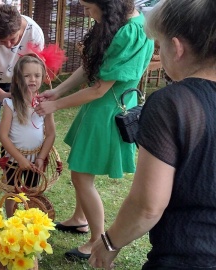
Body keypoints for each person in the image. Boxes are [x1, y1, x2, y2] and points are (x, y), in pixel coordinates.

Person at [89, 0, 216, 269]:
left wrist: (109, 243)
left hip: (188, 256)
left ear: (177, 47)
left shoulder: (173, 103)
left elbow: (147, 205)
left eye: (160, 45)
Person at [34, 0, 154, 260]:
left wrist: (55, 105)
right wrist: (59, 90)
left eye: (88, 7)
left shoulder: (129, 32)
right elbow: (92, 71)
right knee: (83, 169)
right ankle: (80, 218)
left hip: (107, 111)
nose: (87, 13)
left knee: (81, 176)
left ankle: (96, 241)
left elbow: (100, 88)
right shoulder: (127, 23)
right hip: (102, 105)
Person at [0, 4, 44, 211]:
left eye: (12, 39)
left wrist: (26, 95)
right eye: (2, 41)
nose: (7, 45)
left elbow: (35, 70)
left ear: (20, 27)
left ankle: (12, 179)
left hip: (19, 81)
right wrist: (4, 97)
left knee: (16, 130)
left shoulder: (34, 32)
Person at [0, 54, 55, 216]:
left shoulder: (45, 105)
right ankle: (11, 220)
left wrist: (40, 158)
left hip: (34, 159)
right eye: (27, 75)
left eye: (37, 75)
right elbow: (3, 136)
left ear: (43, 77)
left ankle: (30, 221)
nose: (32, 79)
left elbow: (51, 134)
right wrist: (20, 159)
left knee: (32, 192)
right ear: (17, 79)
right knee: (12, 191)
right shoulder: (10, 104)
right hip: (12, 158)